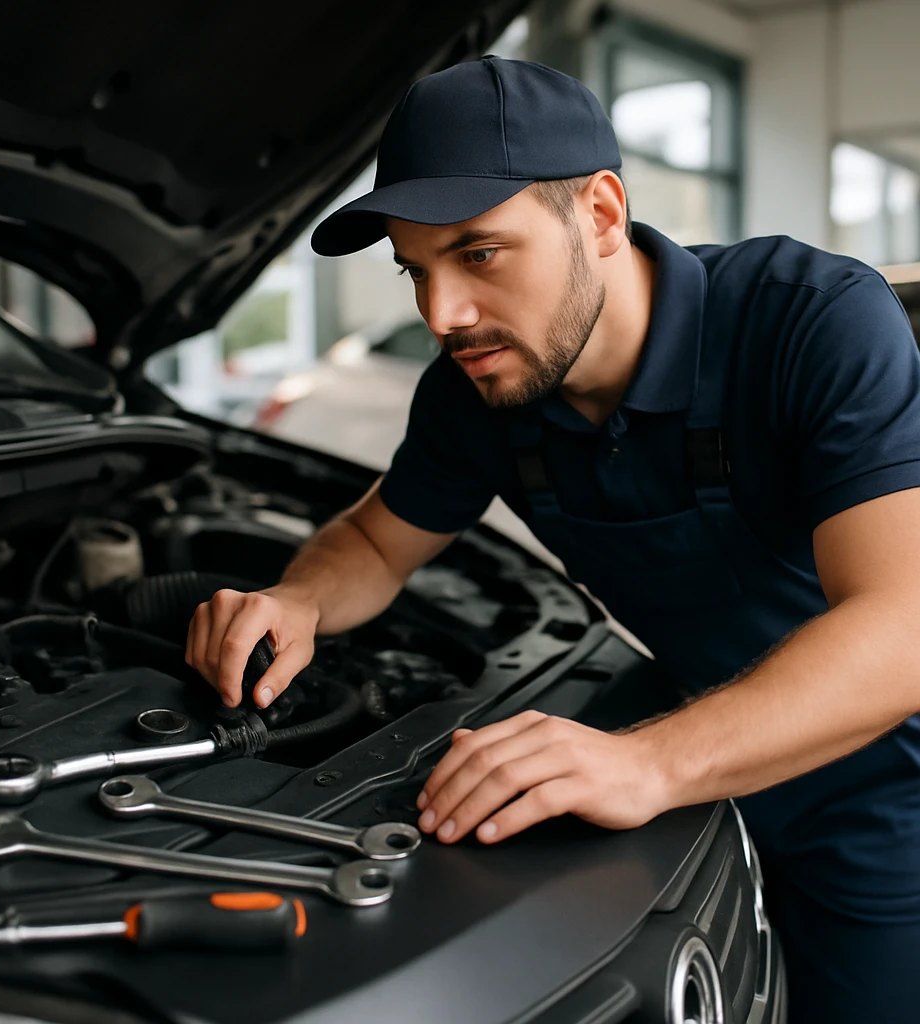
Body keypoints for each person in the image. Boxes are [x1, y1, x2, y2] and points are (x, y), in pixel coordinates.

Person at [185, 57, 920, 1022]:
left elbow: (904, 627)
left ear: (602, 215)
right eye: (416, 270)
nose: (442, 315)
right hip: (697, 778)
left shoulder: (809, 322)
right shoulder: (476, 391)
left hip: (883, 797)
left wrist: (645, 764)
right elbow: (376, 539)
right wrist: (298, 600)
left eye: (480, 254)